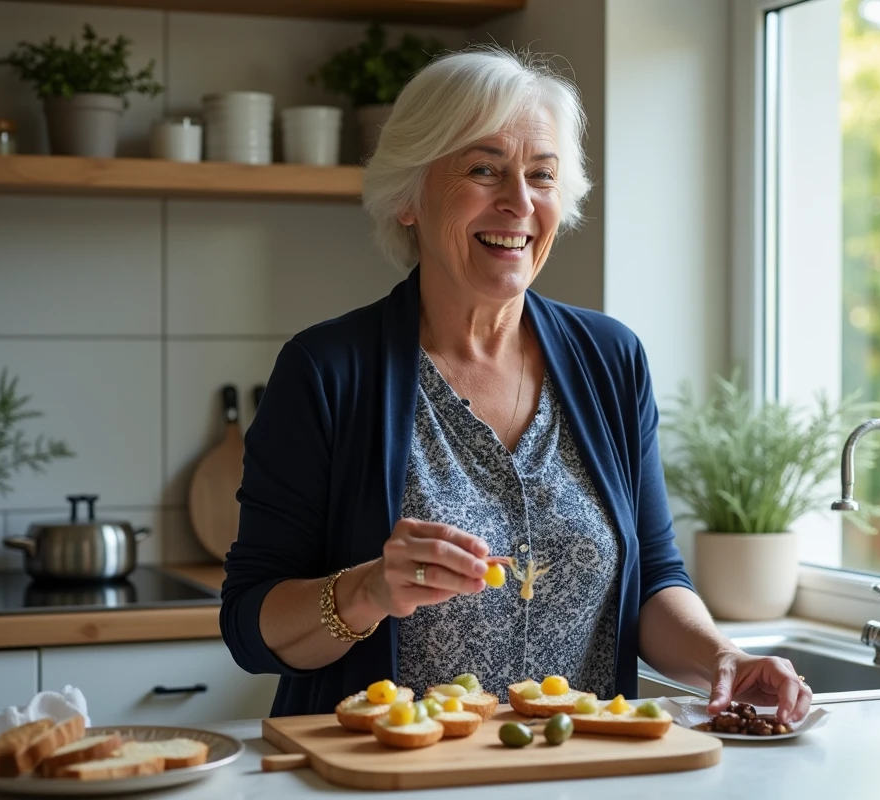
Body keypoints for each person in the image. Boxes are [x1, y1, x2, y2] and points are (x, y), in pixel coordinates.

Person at [220, 46, 812, 723]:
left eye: (541, 175)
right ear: (410, 199)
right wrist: (367, 590)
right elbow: (249, 624)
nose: (519, 202)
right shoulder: (327, 371)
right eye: (484, 170)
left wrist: (721, 658)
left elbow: (652, 579)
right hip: (394, 780)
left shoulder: (611, 360)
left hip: (576, 772)